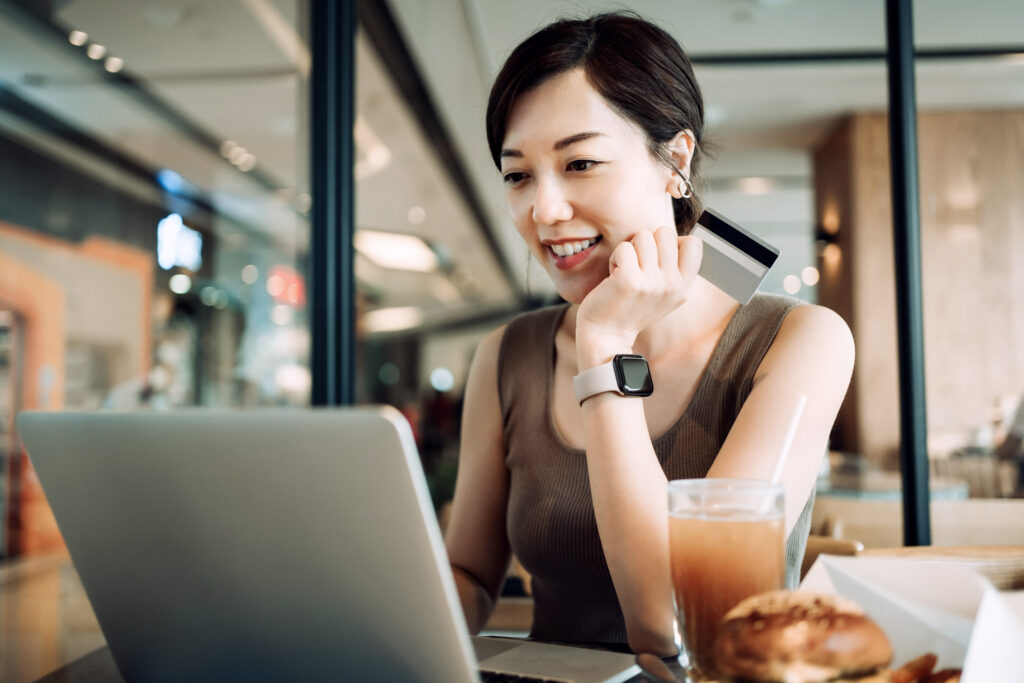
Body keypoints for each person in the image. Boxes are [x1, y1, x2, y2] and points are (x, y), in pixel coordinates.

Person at [443, 12, 854, 657]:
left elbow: (672, 623)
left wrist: (604, 341)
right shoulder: (507, 355)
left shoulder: (799, 340)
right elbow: (467, 574)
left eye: (580, 163)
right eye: (518, 174)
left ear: (675, 162)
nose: (543, 210)